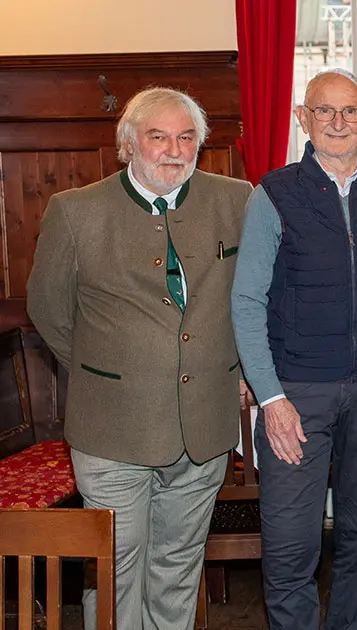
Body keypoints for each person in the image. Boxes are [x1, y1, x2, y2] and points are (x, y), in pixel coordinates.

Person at [26, 87, 251, 630]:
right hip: (112, 431)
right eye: (158, 137)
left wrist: (239, 371)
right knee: (116, 570)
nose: (174, 150)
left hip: (204, 426)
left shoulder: (238, 199)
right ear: (130, 144)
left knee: (177, 568)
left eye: (186, 137)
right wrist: (109, 371)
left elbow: (255, 299)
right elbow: (49, 309)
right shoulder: (75, 211)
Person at [231, 69, 357, 630]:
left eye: (350, 111)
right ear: (303, 119)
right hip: (296, 394)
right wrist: (270, 396)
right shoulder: (273, 193)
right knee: (289, 545)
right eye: (324, 111)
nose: (338, 122)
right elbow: (246, 303)